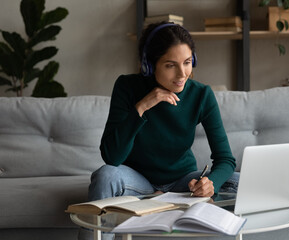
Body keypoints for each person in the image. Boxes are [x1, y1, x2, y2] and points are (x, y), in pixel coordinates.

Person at [78, 21, 239, 240]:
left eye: (188, 62)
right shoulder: (127, 87)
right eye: (170, 65)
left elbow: (225, 159)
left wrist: (211, 184)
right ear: (149, 65)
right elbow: (111, 157)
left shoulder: (201, 94)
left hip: (183, 181)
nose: (182, 74)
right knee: (105, 176)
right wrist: (142, 106)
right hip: (139, 182)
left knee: (239, 182)